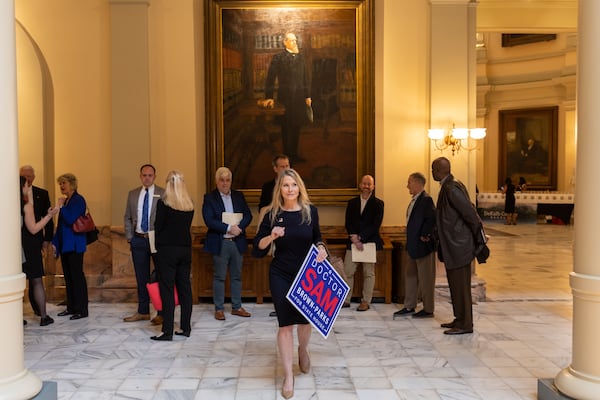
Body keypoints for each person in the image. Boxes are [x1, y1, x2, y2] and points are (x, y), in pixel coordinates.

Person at [253, 169, 328, 399]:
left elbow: (317, 237)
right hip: (281, 273)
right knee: (285, 325)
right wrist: (272, 236)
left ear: (299, 188)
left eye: (294, 185)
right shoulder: (271, 214)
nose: (290, 189)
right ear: (280, 189)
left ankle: (303, 350)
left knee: (305, 322)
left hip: (306, 275)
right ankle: (288, 376)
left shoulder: (309, 212)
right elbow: (257, 248)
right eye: (285, 185)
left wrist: (322, 248)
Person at [432, 157, 483, 335]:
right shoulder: (447, 186)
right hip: (453, 246)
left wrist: (477, 237)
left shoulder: (452, 188)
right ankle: (459, 319)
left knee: (461, 287)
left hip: (459, 246)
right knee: (455, 285)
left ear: (440, 170)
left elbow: (470, 213)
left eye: (433, 169)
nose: (432, 173)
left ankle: (465, 324)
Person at [202, 167, 253, 321]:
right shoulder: (209, 198)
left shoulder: (238, 196)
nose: (225, 183)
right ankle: (219, 309)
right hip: (221, 242)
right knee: (220, 277)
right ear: (216, 181)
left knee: (237, 276)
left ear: (231, 181)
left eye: (227, 180)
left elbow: (248, 215)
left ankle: (237, 307)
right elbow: (209, 220)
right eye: (222, 180)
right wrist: (229, 228)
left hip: (237, 242)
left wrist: (239, 228)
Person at [150, 170, 195, 341]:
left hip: (167, 251)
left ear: (168, 184)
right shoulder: (189, 205)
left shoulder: (164, 204)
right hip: (185, 250)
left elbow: (158, 227)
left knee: (167, 290)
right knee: (185, 289)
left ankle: (167, 330)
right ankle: (185, 327)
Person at [259, 32, 312, 164]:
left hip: (299, 98)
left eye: (296, 40)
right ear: (285, 42)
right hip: (285, 98)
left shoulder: (301, 57)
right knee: (286, 127)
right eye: (292, 41)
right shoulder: (278, 57)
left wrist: (307, 95)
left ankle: (294, 155)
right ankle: (287, 158)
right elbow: (270, 78)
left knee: (296, 126)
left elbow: (305, 78)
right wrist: (269, 97)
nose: (295, 43)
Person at [123, 164, 165, 325]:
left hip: (156, 239)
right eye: (144, 175)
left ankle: (161, 312)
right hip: (138, 239)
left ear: (155, 176)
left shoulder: (163, 193)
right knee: (141, 277)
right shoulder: (133, 194)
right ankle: (143, 311)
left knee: (159, 276)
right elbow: (127, 216)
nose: (147, 177)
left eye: (150, 175)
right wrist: (130, 237)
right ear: (140, 176)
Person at [394, 172, 436, 318]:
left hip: (423, 247)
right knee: (410, 276)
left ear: (417, 183)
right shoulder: (414, 200)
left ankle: (428, 309)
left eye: (409, 183)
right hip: (412, 246)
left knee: (426, 279)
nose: (407, 186)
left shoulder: (426, 200)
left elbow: (431, 219)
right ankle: (409, 305)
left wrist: (425, 235)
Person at [20, 176, 60, 326]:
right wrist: (50, 215)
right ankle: (44, 316)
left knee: (19, 282)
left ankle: (18, 316)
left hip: (15, 247)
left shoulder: (9, 203)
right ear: (23, 187)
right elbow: (34, 228)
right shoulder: (27, 205)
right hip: (29, 245)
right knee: (36, 281)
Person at [341, 175, 384, 311]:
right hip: (353, 242)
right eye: (364, 184)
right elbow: (348, 222)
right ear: (360, 185)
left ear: (373, 187)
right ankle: (346, 300)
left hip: (369, 242)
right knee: (348, 272)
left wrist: (361, 238)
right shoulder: (352, 203)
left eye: (369, 184)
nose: (366, 186)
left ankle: (365, 301)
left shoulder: (378, 204)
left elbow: (375, 224)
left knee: (368, 273)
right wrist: (354, 238)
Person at [52, 173, 89, 320]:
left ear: (72, 184)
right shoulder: (67, 201)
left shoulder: (78, 200)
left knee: (77, 276)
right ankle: (71, 307)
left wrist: (61, 207)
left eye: (64, 183)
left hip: (75, 244)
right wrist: (55, 243)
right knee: (68, 277)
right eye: (60, 183)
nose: (61, 186)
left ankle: (82, 309)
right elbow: (60, 225)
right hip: (65, 245)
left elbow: (70, 219)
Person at [258, 154, 291, 318]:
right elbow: (262, 209)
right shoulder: (268, 186)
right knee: (278, 269)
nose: (286, 169)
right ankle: (279, 304)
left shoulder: (296, 185)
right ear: (275, 169)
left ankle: (291, 305)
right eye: (283, 166)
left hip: (290, 234)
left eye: (288, 165)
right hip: (273, 233)